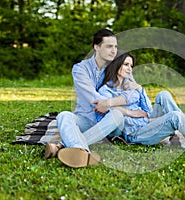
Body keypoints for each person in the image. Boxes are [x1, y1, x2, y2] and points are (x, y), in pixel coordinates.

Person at [44, 29, 135, 168]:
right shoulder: (80, 69)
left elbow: (132, 94)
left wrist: (110, 102)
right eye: (109, 46)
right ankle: (82, 152)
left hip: (110, 120)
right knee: (64, 116)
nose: (114, 51)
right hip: (87, 117)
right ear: (96, 47)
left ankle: (62, 146)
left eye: (115, 46)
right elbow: (93, 98)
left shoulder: (119, 66)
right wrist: (115, 101)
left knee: (117, 115)